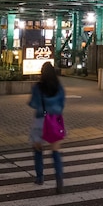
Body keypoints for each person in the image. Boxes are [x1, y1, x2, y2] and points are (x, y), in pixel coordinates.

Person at [28, 62, 65, 194]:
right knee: (55, 151)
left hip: (40, 120)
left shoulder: (38, 87)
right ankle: (59, 178)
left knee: (38, 149)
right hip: (55, 120)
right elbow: (62, 103)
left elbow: (33, 103)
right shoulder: (58, 86)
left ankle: (40, 177)